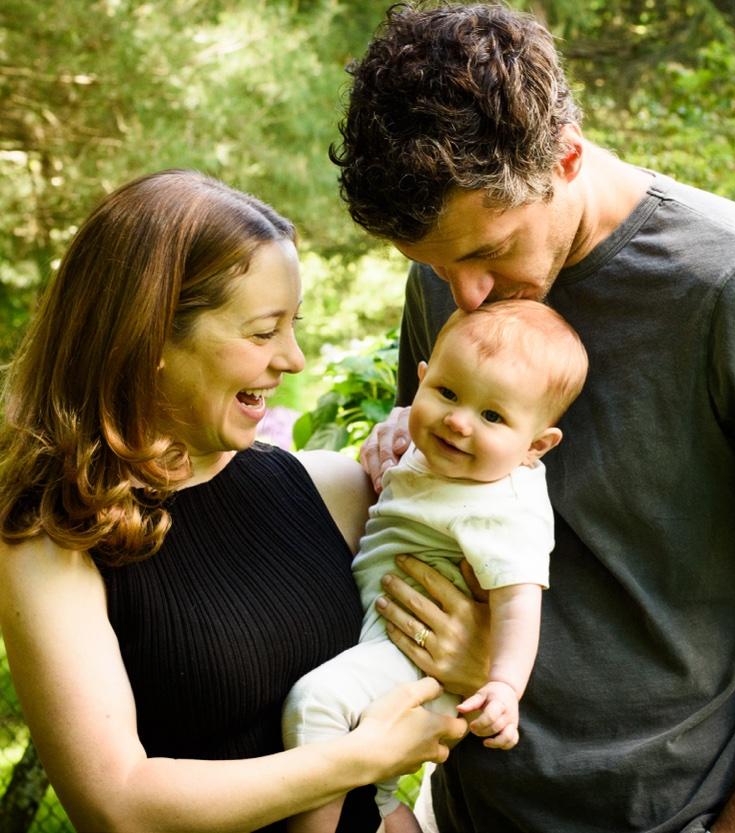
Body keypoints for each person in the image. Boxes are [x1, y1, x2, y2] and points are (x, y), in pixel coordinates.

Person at [331, 4, 735, 833]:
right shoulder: (450, 279)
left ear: (566, 157)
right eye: (433, 265)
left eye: (489, 252)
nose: (464, 298)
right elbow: (442, 503)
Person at [0, 169, 471, 833]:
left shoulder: (334, 491)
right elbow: (116, 804)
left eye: (293, 326)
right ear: (150, 336)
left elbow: (484, 611)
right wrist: (358, 759)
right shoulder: (53, 539)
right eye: (262, 332)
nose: (294, 359)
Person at [282, 299, 588, 833]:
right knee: (374, 794)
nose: (457, 421)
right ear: (421, 381)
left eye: (492, 416)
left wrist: (504, 686)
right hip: (384, 634)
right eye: (447, 392)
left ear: (535, 446)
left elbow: (519, 604)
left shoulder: (505, 506)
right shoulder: (430, 453)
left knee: (316, 707)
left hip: (420, 662)